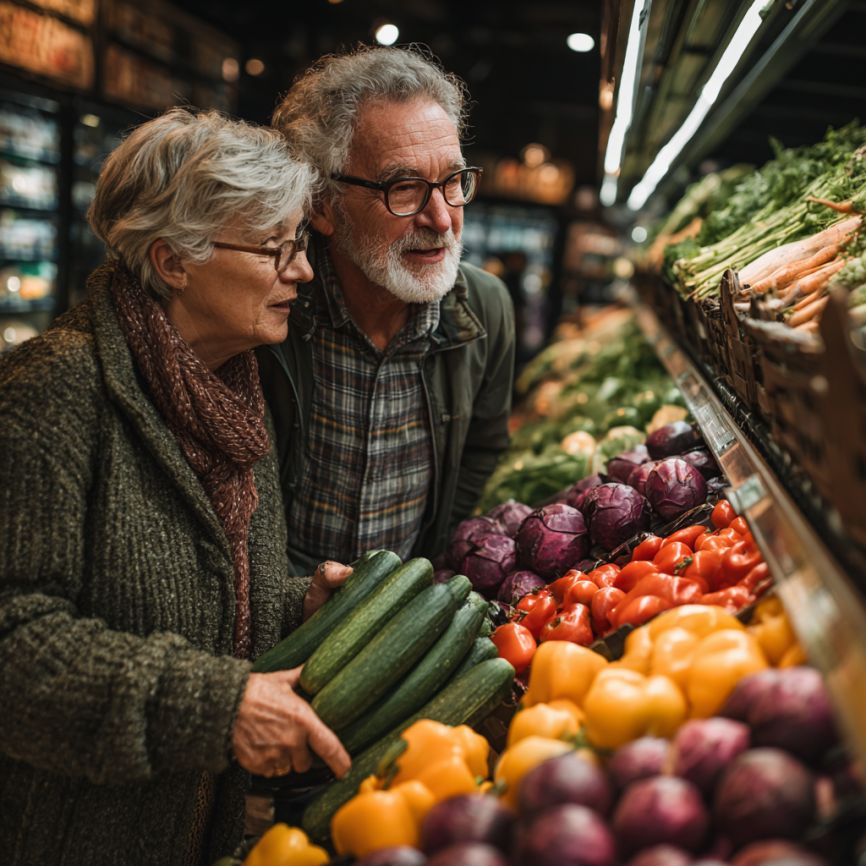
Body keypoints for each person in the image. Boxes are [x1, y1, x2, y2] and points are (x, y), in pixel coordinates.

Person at [0, 108, 353, 866]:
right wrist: (215, 707)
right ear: (173, 261)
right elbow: (14, 642)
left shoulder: (231, 393)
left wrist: (295, 606)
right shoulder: (55, 392)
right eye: (277, 247)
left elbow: (188, 601)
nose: (303, 270)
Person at [262, 46, 516, 574]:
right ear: (323, 206)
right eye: (404, 188)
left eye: (453, 182)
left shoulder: (486, 311)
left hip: (400, 617)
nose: (442, 219)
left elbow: (482, 449)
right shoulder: (269, 306)